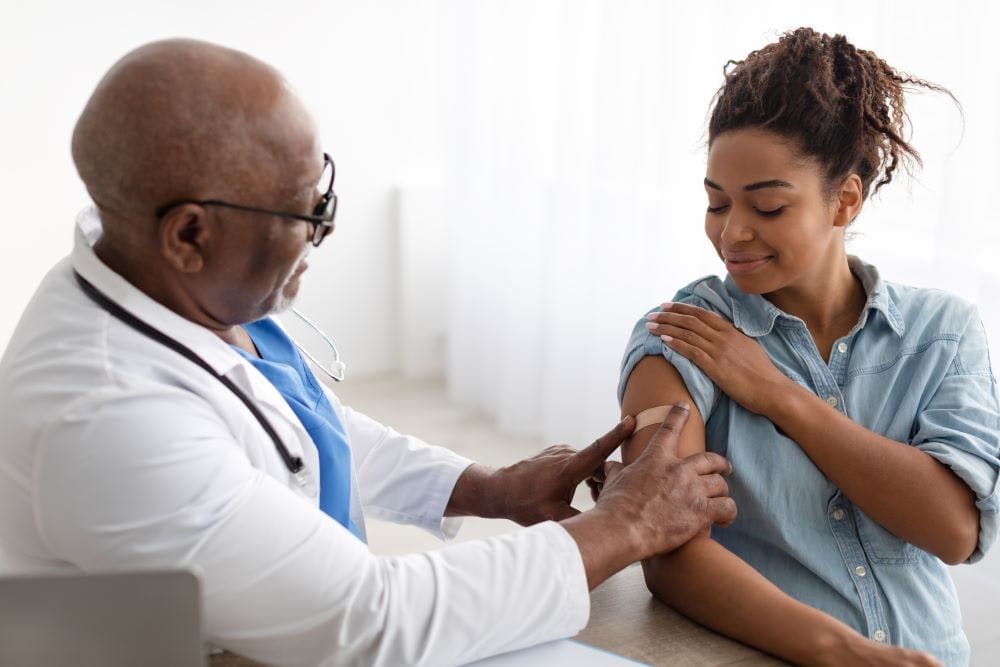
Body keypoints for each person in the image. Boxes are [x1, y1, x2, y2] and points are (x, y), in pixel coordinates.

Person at [0, 39, 738, 666]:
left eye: (323, 189)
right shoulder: (107, 416)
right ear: (190, 236)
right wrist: (623, 526)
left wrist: (489, 487)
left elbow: (299, 425)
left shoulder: (153, 280)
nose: (323, 228)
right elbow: (370, 619)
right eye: (305, 211)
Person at [617, 28, 999, 666]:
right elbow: (667, 552)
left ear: (844, 198)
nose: (733, 233)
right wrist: (843, 653)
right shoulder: (682, 336)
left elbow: (954, 531)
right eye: (716, 204)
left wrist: (781, 398)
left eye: (767, 207)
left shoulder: (942, 332)